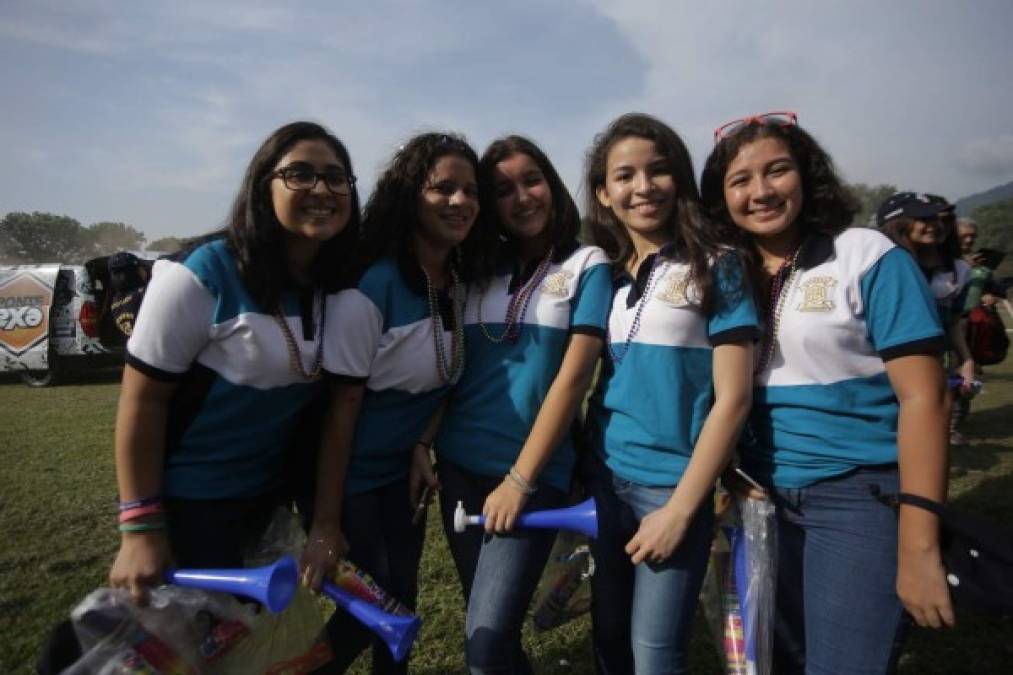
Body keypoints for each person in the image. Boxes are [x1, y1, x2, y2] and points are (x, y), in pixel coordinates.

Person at [701, 112, 954, 675]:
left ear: (808, 176)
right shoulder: (726, 272)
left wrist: (919, 544)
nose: (761, 191)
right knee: (775, 660)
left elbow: (926, 400)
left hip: (856, 498)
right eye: (740, 180)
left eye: (778, 171)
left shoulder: (865, 254)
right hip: (758, 500)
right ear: (721, 197)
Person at [109, 121, 360, 597]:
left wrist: (324, 521)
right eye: (300, 175)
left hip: (267, 504)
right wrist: (139, 529)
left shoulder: (337, 284)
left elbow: (337, 410)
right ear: (263, 187)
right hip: (190, 505)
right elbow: (143, 401)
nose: (321, 189)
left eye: (336, 177)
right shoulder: (201, 272)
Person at [299, 132, 492, 674]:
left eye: (470, 190)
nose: (460, 202)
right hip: (348, 477)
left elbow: (444, 382)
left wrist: (420, 444)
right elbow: (340, 410)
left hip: (399, 477)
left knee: (399, 606)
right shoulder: (372, 283)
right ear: (411, 195)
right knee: (374, 608)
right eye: (443, 189)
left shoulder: (457, 280)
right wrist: (326, 523)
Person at [582, 113, 758, 674]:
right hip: (606, 478)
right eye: (624, 175)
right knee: (608, 634)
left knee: (655, 654)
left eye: (657, 171)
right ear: (603, 194)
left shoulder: (719, 265)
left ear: (679, 178)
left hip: (670, 487)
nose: (642, 187)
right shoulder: (610, 274)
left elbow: (733, 397)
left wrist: (684, 508)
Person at [434, 135, 612, 674]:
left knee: (485, 647)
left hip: (532, 477)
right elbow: (450, 372)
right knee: (488, 628)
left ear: (552, 185)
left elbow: (572, 379)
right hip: (460, 469)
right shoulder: (474, 266)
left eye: (531, 180)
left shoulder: (587, 263)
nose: (522, 197)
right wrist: (423, 443)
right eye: (504, 189)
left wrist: (520, 479)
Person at [877, 192, 977, 445]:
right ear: (897, 223)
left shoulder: (959, 271)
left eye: (937, 218)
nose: (935, 224)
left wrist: (965, 360)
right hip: (880, 365)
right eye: (923, 218)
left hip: (931, 361)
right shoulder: (876, 264)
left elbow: (953, 321)